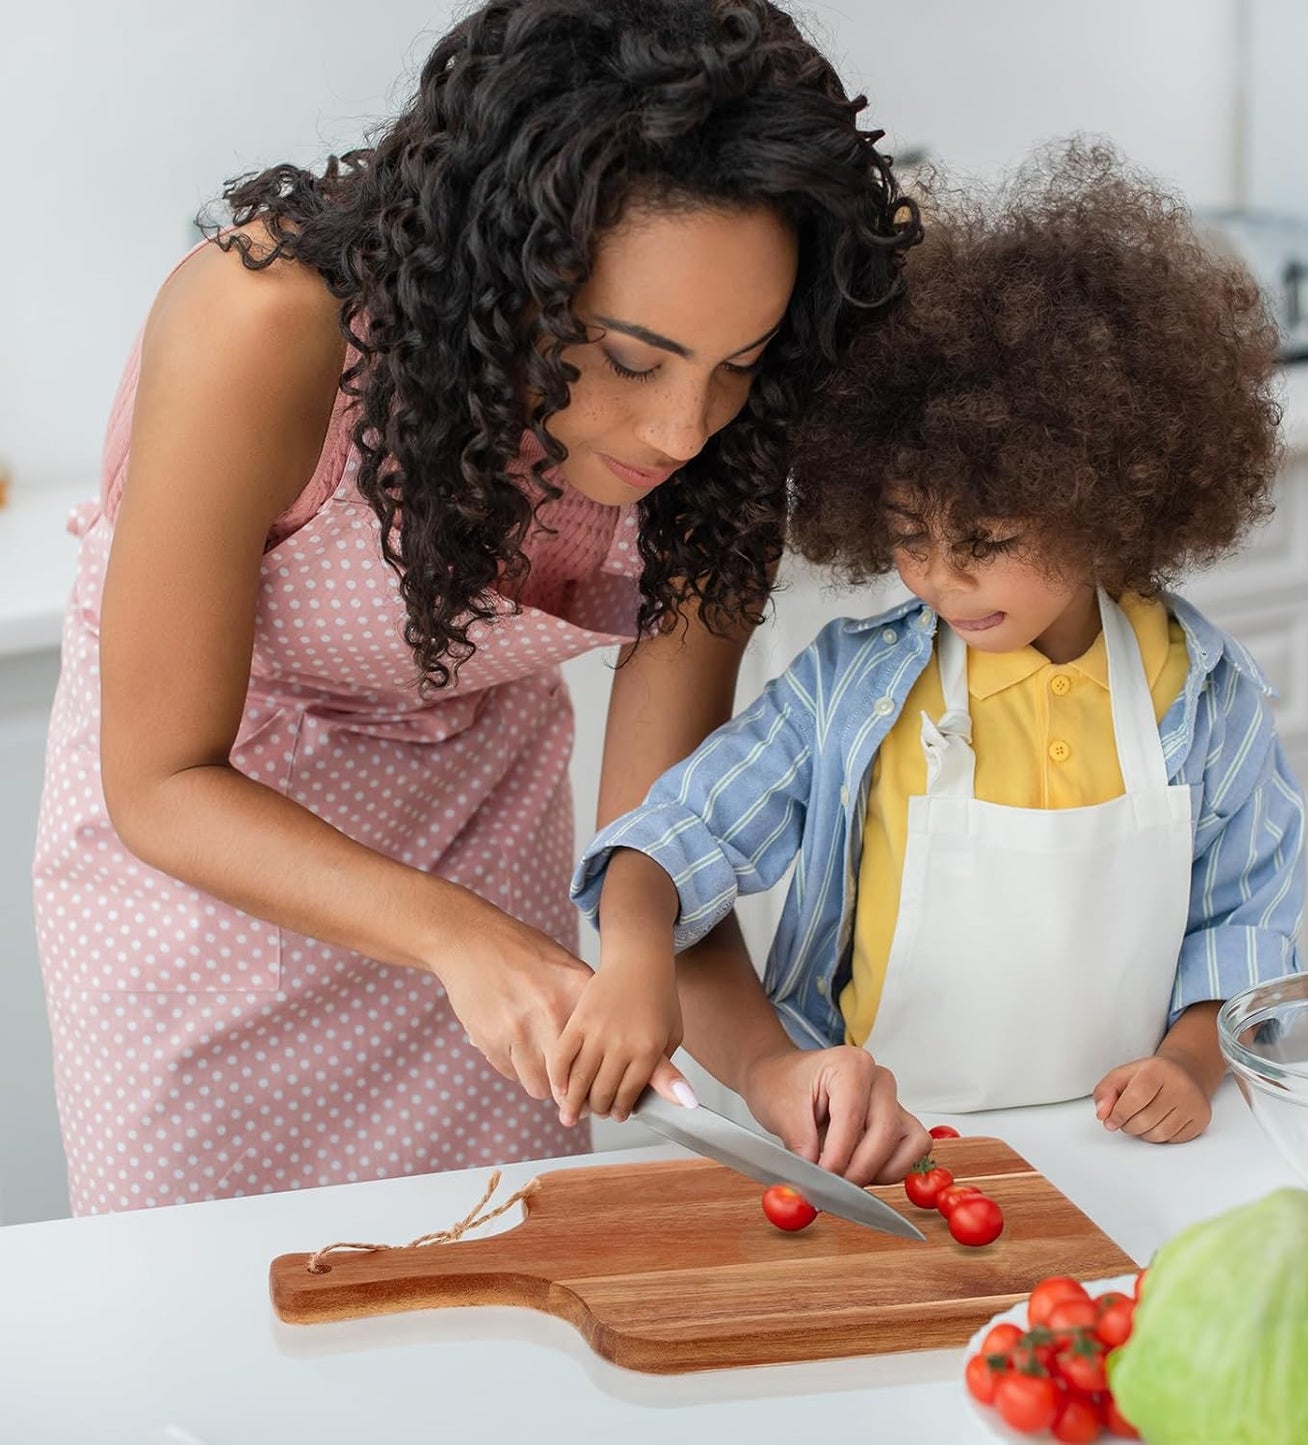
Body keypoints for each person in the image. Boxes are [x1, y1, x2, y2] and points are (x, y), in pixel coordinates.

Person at [31, 0, 925, 1214]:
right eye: (627, 357)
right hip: (203, 893)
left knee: (483, 1303)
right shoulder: (266, 328)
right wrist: (460, 938)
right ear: (500, 277)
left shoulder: (722, 438)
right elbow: (160, 780)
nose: (680, 425)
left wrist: (767, 1069)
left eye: (738, 360)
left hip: (483, 861)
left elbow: (658, 845)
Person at [571, 143, 1305, 1154]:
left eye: (987, 543)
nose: (938, 578)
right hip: (888, 1149)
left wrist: (1186, 1063)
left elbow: (1242, 926)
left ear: (1109, 505)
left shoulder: (1203, 699)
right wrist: (632, 947)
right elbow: (675, 830)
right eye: (908, 532)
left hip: (1123, 1147)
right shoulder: (851, 687)